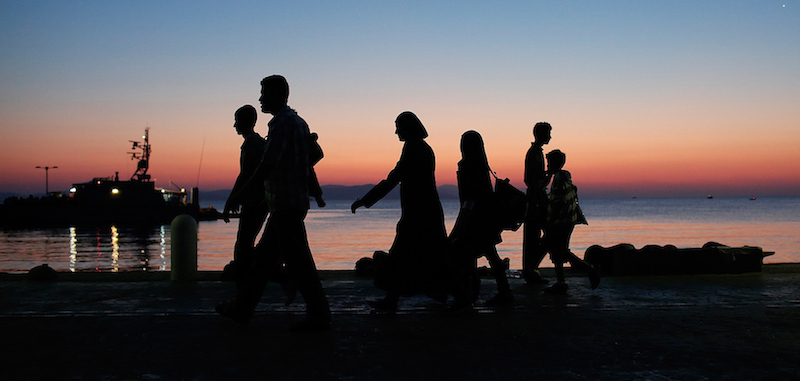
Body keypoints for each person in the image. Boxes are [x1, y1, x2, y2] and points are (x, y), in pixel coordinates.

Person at [216, 75, 331, 331]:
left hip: (286, 205)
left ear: (278, 95)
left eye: (264, 93)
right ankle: (242, 308)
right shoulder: (298, 122)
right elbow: (308, 159)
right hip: (288, 203)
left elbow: (267, 166)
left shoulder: (281, 124)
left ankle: (319, 315)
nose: (260, 99)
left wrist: (237, 195)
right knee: (263, 261)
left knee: (299, 263)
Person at [351, 111, 449, 314]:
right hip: (424, 211)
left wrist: (365, 201)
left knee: (403, 255)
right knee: (418, 256)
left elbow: (393, 178)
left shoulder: (414, 148)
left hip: (419, 214)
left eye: (398, 127)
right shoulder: (420, 148)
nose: (396, 131)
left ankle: (395, 299)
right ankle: (396, 298)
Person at [449, 131, 513, 307]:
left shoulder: (467, 165)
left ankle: (469, 294)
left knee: (469, 254)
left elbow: (469, 198)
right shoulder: (483, 165)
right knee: (489, 254)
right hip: (486, 217)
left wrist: (460, 223)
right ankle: (500, 292)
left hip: (474, 219)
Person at [221, 105, 269, 289]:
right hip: (259, 201)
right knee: (247, 241)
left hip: (254, 201)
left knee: (243, 243)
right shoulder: (258, 142)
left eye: (237, 120)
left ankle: (245, 282)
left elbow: (245, 175)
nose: (235, 125)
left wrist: (232, 200)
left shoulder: (251, 144)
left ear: (247, 122)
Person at [542, 149, 600, 294]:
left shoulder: (560, 179)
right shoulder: (563, 177)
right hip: (567, 220)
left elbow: (559, 201)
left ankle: (589, 270)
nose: (547, 166)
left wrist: (551, 220)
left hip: (561, 221)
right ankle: (562, 282)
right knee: (558, 250)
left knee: (560, 250)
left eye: (549, 163)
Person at [522, 122, 553, 284]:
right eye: (548, 133)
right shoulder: (534, 153)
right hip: (536, 201)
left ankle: (531, 269)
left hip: (537, 199)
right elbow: (531, 180)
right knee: (541, 235)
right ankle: (531, 269)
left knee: (537, 236)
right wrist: (548, 176)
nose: (550, 136)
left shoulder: (536, 152)